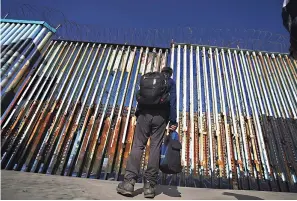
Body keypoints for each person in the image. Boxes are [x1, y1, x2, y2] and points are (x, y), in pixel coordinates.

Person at [116, 67, 178, 198]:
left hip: (144, 115)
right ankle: (149, 186)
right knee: (155, 147)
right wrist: (173, 121)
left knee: (138, 145)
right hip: (161, 117)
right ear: (170, 73)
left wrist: (138, 113)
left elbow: (141, 97)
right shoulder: (170, 82)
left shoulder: (150, 80)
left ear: (161, 72)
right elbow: (172, 101)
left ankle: (128, 183)